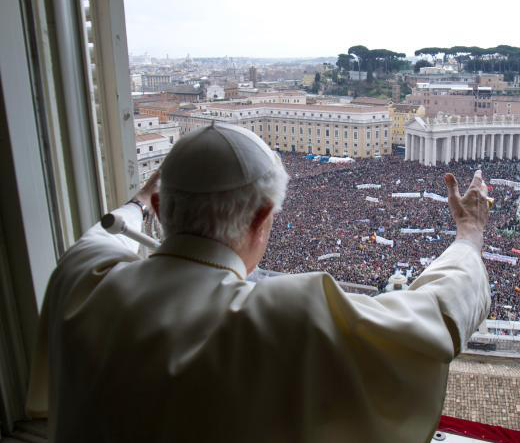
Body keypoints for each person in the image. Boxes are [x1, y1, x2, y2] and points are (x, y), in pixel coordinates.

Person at [27, 123, 491, 443]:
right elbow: (437, 319)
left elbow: (97, 238)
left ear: (163, 211)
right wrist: (469, 237)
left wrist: (137, 204)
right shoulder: (287, 317)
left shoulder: (81, 279)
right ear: (263, 218)